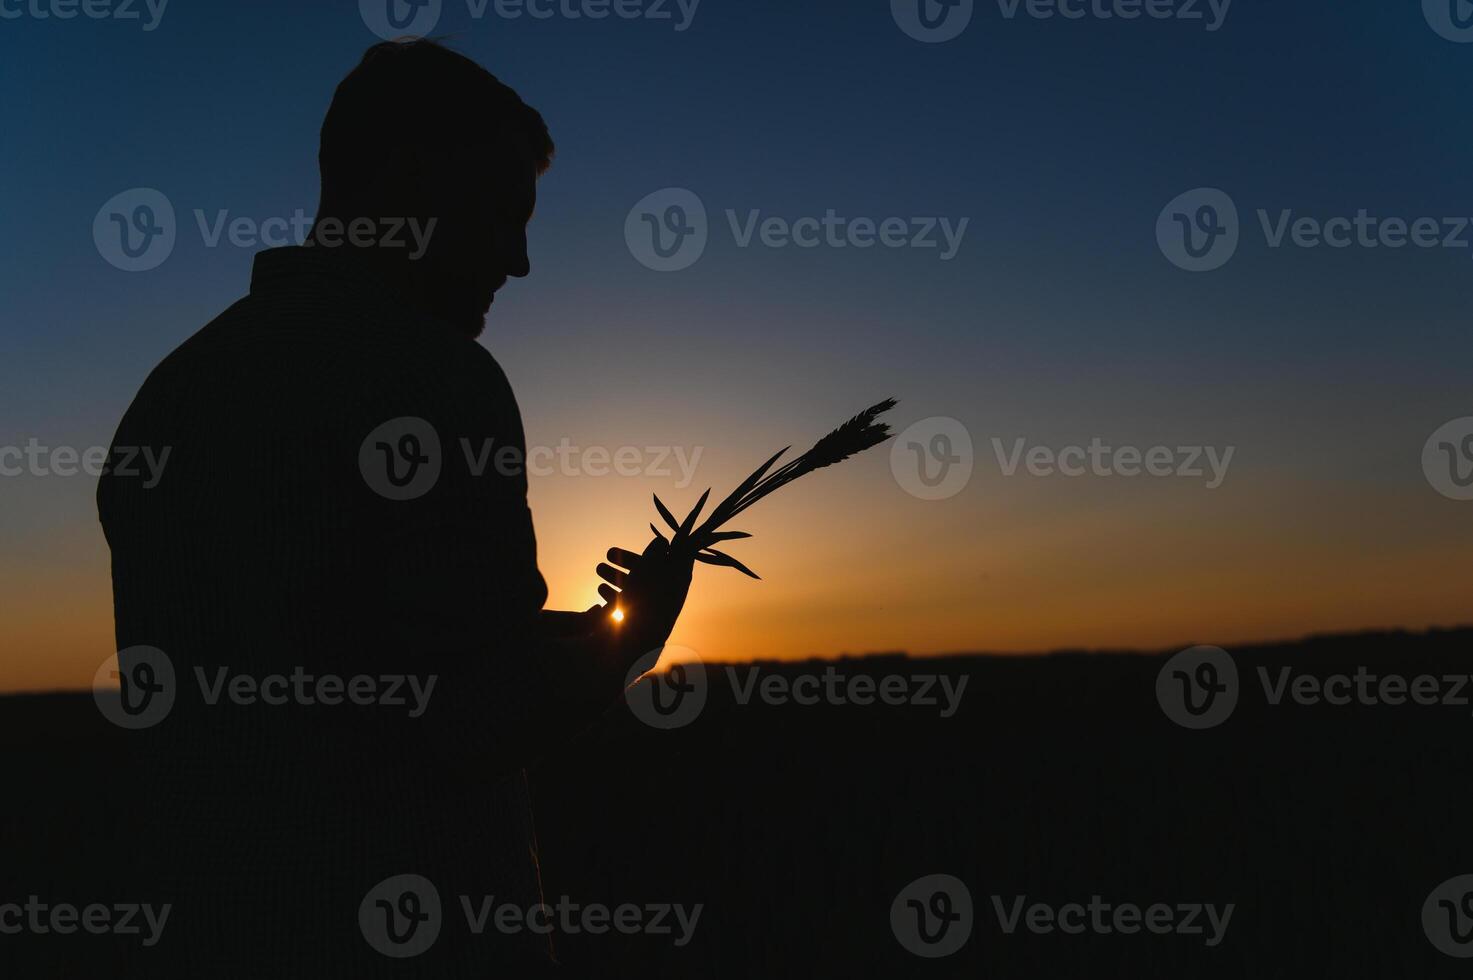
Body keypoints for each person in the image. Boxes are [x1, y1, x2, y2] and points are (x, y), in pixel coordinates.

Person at [96, 38, 692, 977]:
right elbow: (473, 718)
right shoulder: (434, 376)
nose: (522, 260)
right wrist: (633, 635)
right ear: (408, 182)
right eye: (502, 215)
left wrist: (567, 632)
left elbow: (339, 648)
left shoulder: (173, 393)